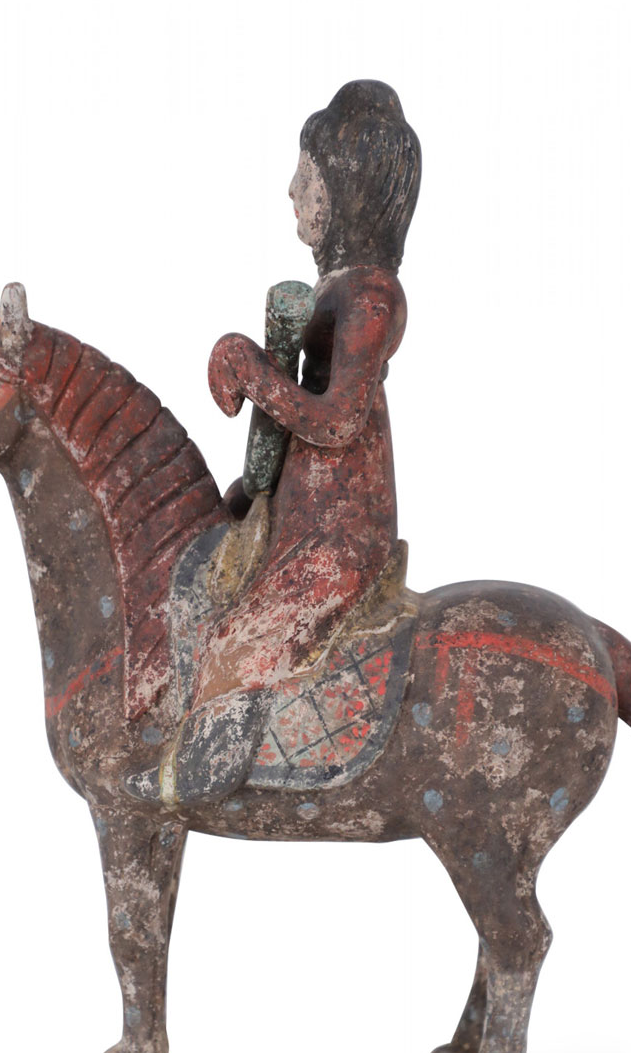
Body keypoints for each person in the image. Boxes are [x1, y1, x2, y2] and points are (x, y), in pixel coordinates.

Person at [127, 80, 422, 804]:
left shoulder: (369, 297)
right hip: (301, 511)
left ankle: (205, 770)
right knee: (201, 589)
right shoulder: (335, 289)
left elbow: (338, 422)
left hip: (337, 529)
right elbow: (303, 419)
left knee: (241, 645)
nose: (293, 191)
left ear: (346, 191)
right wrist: (257, 482)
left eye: (308, 176)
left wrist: (253, 370)